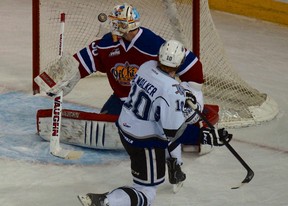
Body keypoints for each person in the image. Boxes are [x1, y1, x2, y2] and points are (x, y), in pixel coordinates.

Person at [35, 2, 214, 188]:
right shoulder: (106, 44)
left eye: (115, 23)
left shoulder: (152, 44)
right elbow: (81, 62)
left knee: (170, 128)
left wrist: (189, 95)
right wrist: (60, 77)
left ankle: (199, 135)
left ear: (122, 26)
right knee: (107, 122)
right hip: (124, 102)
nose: (110, 25)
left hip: (153, 105)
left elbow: (192, 65)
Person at [77, 40, 232, 206]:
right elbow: (173, 132)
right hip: (144, 141)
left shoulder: (147, 66)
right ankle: (106, 201)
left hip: (125, 127)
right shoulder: (172, 92)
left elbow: (159, 92)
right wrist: (204, 136)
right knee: (146, 192)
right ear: (179, 64)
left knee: (161, 129)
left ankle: (174, 165)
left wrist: (180, 97)